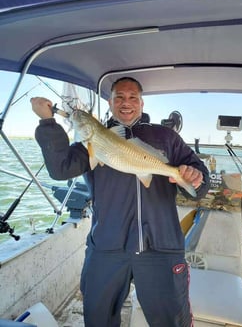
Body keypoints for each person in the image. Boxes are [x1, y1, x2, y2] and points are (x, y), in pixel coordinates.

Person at [31, 77, 210, 327]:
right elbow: (61, 169)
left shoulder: (166, 137)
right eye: (119, 98)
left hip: (161, 246)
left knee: (172, 321)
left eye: (132, 97)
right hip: (107, 245)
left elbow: (200, 179)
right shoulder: (91, 140)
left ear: (141, 102)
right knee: (98, 318)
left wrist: (195, 177)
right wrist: (47, 122)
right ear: (110, 102)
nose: (126, 103)